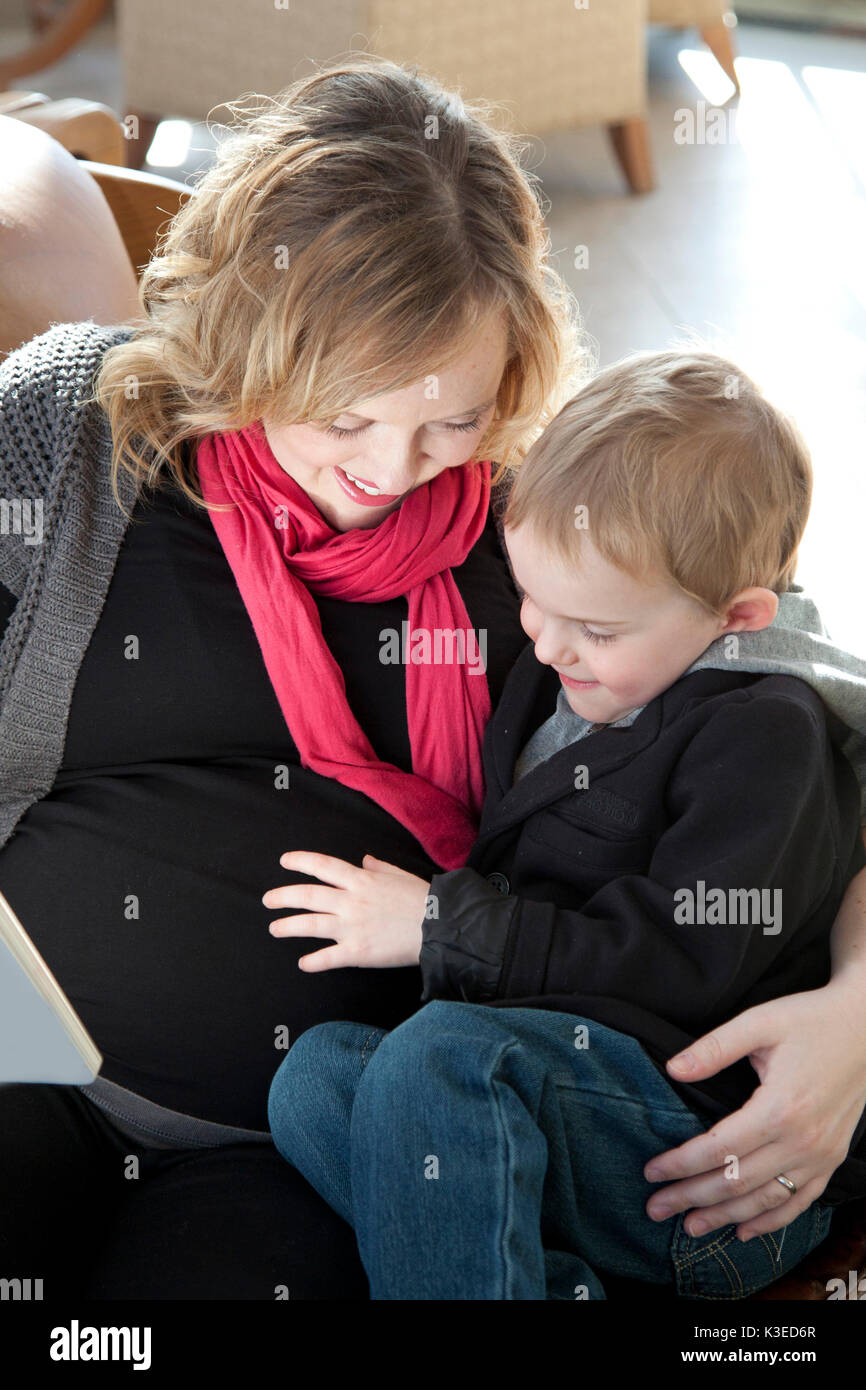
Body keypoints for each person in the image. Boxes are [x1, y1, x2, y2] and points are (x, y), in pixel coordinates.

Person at [0, 55, 865, 1300]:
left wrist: (855, 1013)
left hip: (315, 1136)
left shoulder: (561, 531)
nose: (392, 469)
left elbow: (820, 714)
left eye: (449, 417)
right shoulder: (75, 434)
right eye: (341, 416)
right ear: (253, 325)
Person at [265, 349, 866, 1299]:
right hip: (561, 1115)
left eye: (594, 628)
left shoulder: (765, 738)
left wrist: (441, 925)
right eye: (533, 597)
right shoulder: (589, 649)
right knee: (318, 1080)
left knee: (437, 1059)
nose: (543, 641)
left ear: (736, 618)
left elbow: (677, 967)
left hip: (701, 1160)